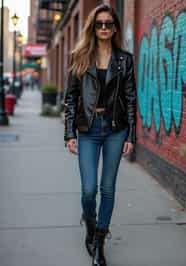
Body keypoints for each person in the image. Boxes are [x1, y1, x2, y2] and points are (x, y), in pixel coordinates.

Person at [64, 4, 136, 266]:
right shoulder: (80, 56)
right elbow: (70, 98)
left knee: (107, 188)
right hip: (88, 130)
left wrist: (131, 136)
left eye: (108, 23)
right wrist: (68, 133)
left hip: (115, 130)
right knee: (88, 190)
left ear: (114, 27)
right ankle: (90, 226)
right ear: (92, 28)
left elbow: (130, 99)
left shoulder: (124, 59)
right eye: (99, 24)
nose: (104, 28)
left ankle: (99, 242)